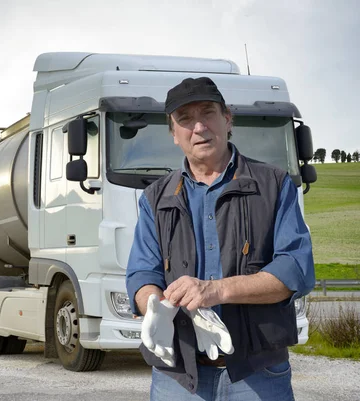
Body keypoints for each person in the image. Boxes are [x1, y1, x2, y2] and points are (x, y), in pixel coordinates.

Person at [125, 76, 315, 400]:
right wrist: (155, 306)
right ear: (173, 133)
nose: (198, 127)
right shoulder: (154, 198)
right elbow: (142, 273)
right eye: (184, 119)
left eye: (208, 113)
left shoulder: (274, 184)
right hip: (178, 377)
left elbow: (294, 270)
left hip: (257, 374)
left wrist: (215, 291)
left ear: (228, 119)